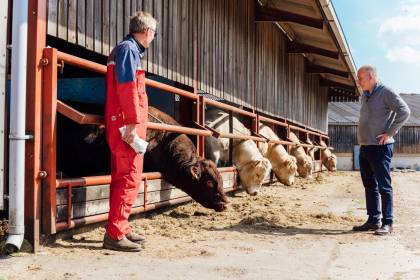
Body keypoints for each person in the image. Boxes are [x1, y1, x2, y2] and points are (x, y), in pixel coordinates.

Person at [103, 11, 157, 252]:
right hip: (126, 124)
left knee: (124, 178)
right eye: (154, 33)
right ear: (147, 32)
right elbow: (127, 89)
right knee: (129, 178)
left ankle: (120, 227)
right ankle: (115, 234)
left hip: (123, 122)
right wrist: (134, 123)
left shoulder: (126, 50)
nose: (153, 37)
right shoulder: (128, 50)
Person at [353, 65, 410, 235]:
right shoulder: (365, 95)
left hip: (380, 147)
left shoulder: (386, 92)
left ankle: (388, 222)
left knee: (384, 186)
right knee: (369, 185)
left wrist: (389, 132)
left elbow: (404, 111)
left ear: (370, 77)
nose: (358, 81)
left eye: (360, 78)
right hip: (365, 146)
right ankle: (373, 220)